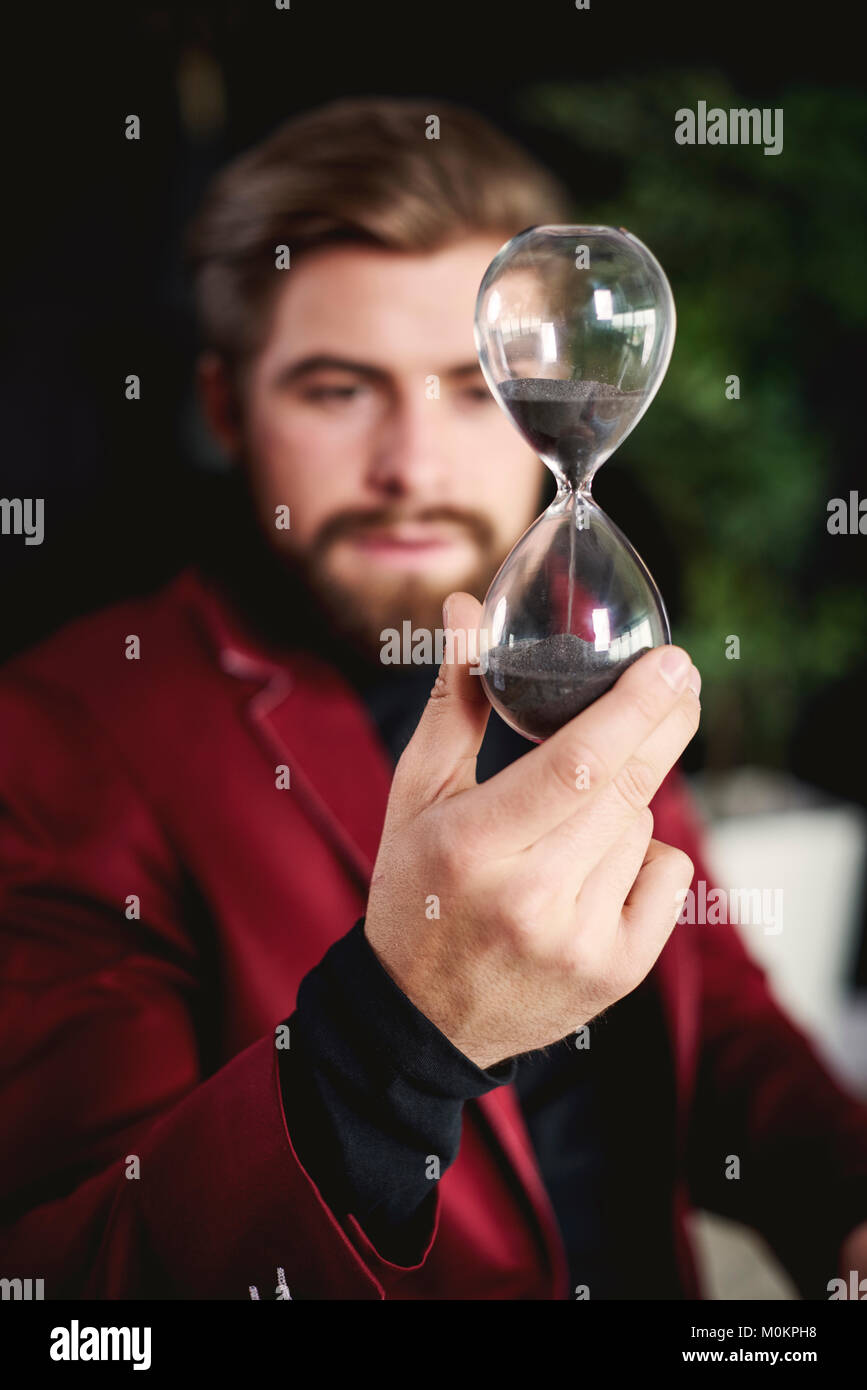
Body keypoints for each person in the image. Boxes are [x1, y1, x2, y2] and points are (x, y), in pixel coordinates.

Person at [1, 96, 865, 1302]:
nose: (411, 465)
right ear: (224, 408)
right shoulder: (62, 734)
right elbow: (72, 1284)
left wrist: (845, 1201)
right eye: (338, 390)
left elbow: (714, 1015)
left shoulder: (569, 659)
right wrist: (397, 1037)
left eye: (474, 391)